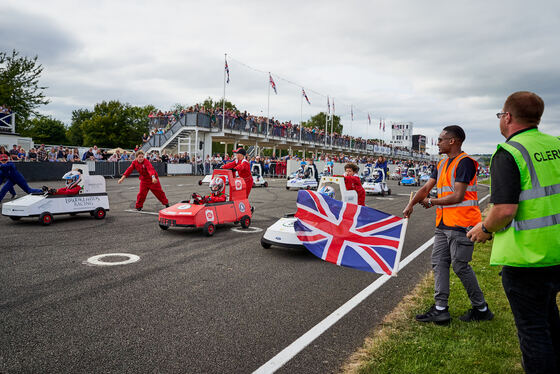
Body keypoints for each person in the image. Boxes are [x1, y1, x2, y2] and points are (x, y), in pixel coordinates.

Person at [467, 91, 560, 373]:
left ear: (507, 117)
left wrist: (484, 228)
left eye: (500, 116)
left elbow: (505, 210)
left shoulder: (509, 152)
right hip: (556, 251)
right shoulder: (556, 145)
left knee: (533, 333)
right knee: (549, 319)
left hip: (527, 257)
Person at [403, 125, 492, 325]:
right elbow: (426, 187)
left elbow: (458, 196)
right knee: (439, 263)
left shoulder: (466, 163)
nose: (438, 142)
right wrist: (411, 205)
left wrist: (432, 202)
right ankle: (440, 309)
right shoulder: (442, 164)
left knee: (460, 266)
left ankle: (482, 308)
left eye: (441, 139)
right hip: (443, 224)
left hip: (462, 224)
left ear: (453, 141)